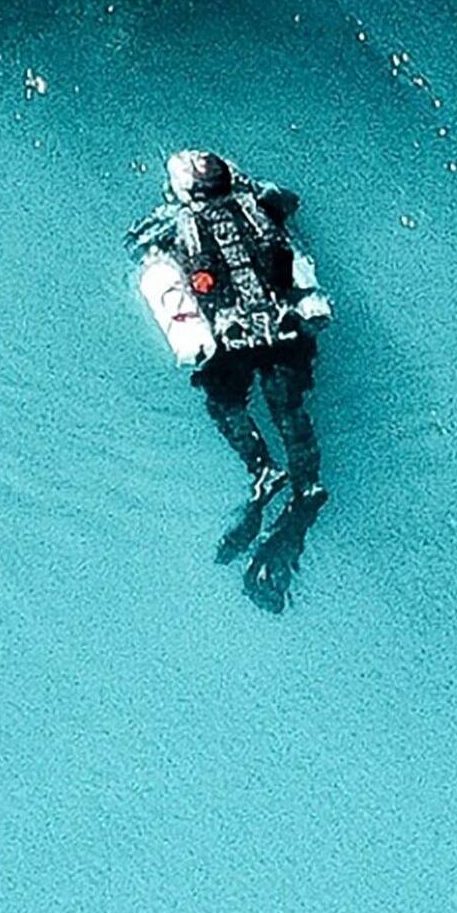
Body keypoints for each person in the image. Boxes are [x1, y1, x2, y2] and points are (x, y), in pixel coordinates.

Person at [133, 149, 327, 607]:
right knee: (290, 409)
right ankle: (308, 485)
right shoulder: (260, 202)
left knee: (225, 403)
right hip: (283, 328)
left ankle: (263, 471)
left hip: (229, 338)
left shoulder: (171, 222)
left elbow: (138, 245)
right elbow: (290, 202)